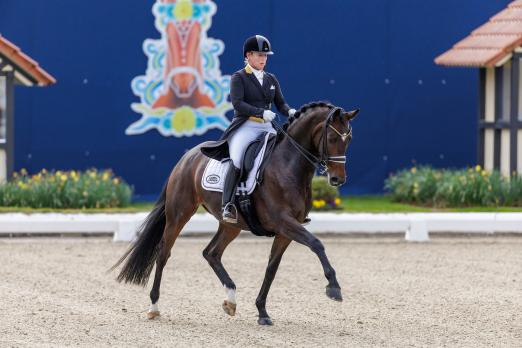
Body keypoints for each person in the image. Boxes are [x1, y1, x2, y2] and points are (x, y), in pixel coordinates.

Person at [201, 35, 296, 223]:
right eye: (260, 55)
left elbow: (280, 103)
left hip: (267, 127)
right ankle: (227, 204)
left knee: (285, 153)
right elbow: (238, 104)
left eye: (266, 56)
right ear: (248, 55)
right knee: (237, 159)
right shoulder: (239, 77)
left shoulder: (271, 78)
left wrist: (290, 111)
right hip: (245, 126)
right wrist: (261, 112)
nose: (263, 59)